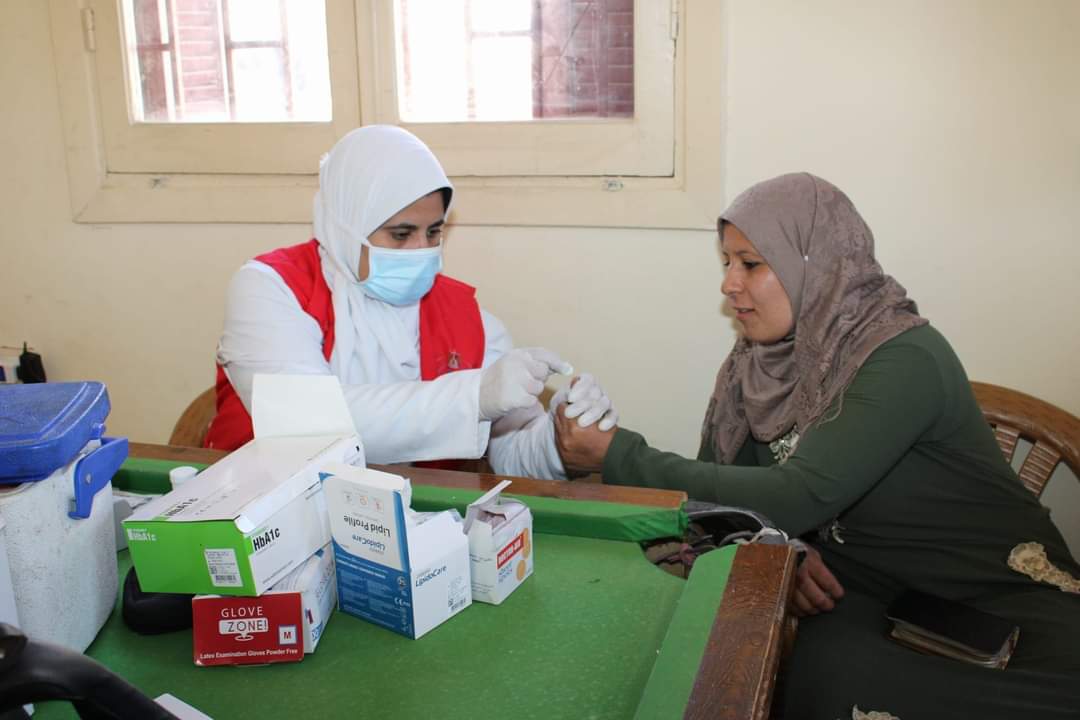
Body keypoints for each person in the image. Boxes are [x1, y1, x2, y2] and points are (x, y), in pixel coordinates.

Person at [553, 173, 1080, 718]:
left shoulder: (905, 358)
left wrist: (618, 456)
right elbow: (729, 500)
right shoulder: (756, 366)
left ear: (817, 266)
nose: (729, 284)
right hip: (869, 597)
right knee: (774, 668)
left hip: (997, 604)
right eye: (727, 262)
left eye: (750, 263)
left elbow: (797, 493)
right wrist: (784, 546)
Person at [207, 125, 616, 479]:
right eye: (401, 235)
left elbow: (509, 454)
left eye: (434, 232)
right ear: (345, 225)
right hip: (262, 515)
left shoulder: (468, 320)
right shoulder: (271, 289)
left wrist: (557, 439)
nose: (422, 250)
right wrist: (473, 397)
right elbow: (305, 423)